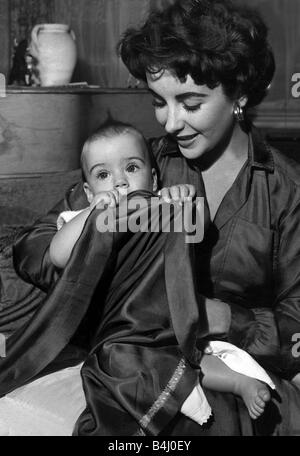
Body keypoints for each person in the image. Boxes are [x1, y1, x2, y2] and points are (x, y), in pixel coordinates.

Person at [13, 0, 300, 435]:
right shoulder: (139, 162)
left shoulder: (285, 190)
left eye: (190, 102)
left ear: (239, 94)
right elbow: (35, 245)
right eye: (158, 102)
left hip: (236, 365)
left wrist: (217, 317)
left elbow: (295, 322)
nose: (170, 123)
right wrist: (102, 268)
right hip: (141, 357)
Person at [50, 119, 275, 425]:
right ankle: (172, 395)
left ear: (153, 179)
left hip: (167, 316)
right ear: (89, 192)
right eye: (104, 174)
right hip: (120, 326)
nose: (120, 183)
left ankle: (240, 383)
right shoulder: (86, 219)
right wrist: (93, 213)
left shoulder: (159, 208)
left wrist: (183, 200)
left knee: (196, 354)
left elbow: (199, 228)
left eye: (131, 168)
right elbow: (58, 254)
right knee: (128, 360)